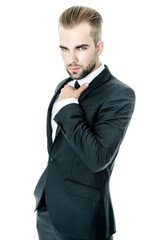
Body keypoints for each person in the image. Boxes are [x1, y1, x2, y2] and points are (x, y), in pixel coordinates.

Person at [34, 6, 135, 240]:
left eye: (81, 48)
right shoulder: (64, 85)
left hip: (84, 221)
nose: (72, 59)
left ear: (99, 47)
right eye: (64, 49)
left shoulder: (120, 95)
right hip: (47, 209)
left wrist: (70, 107)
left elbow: (97, 158)